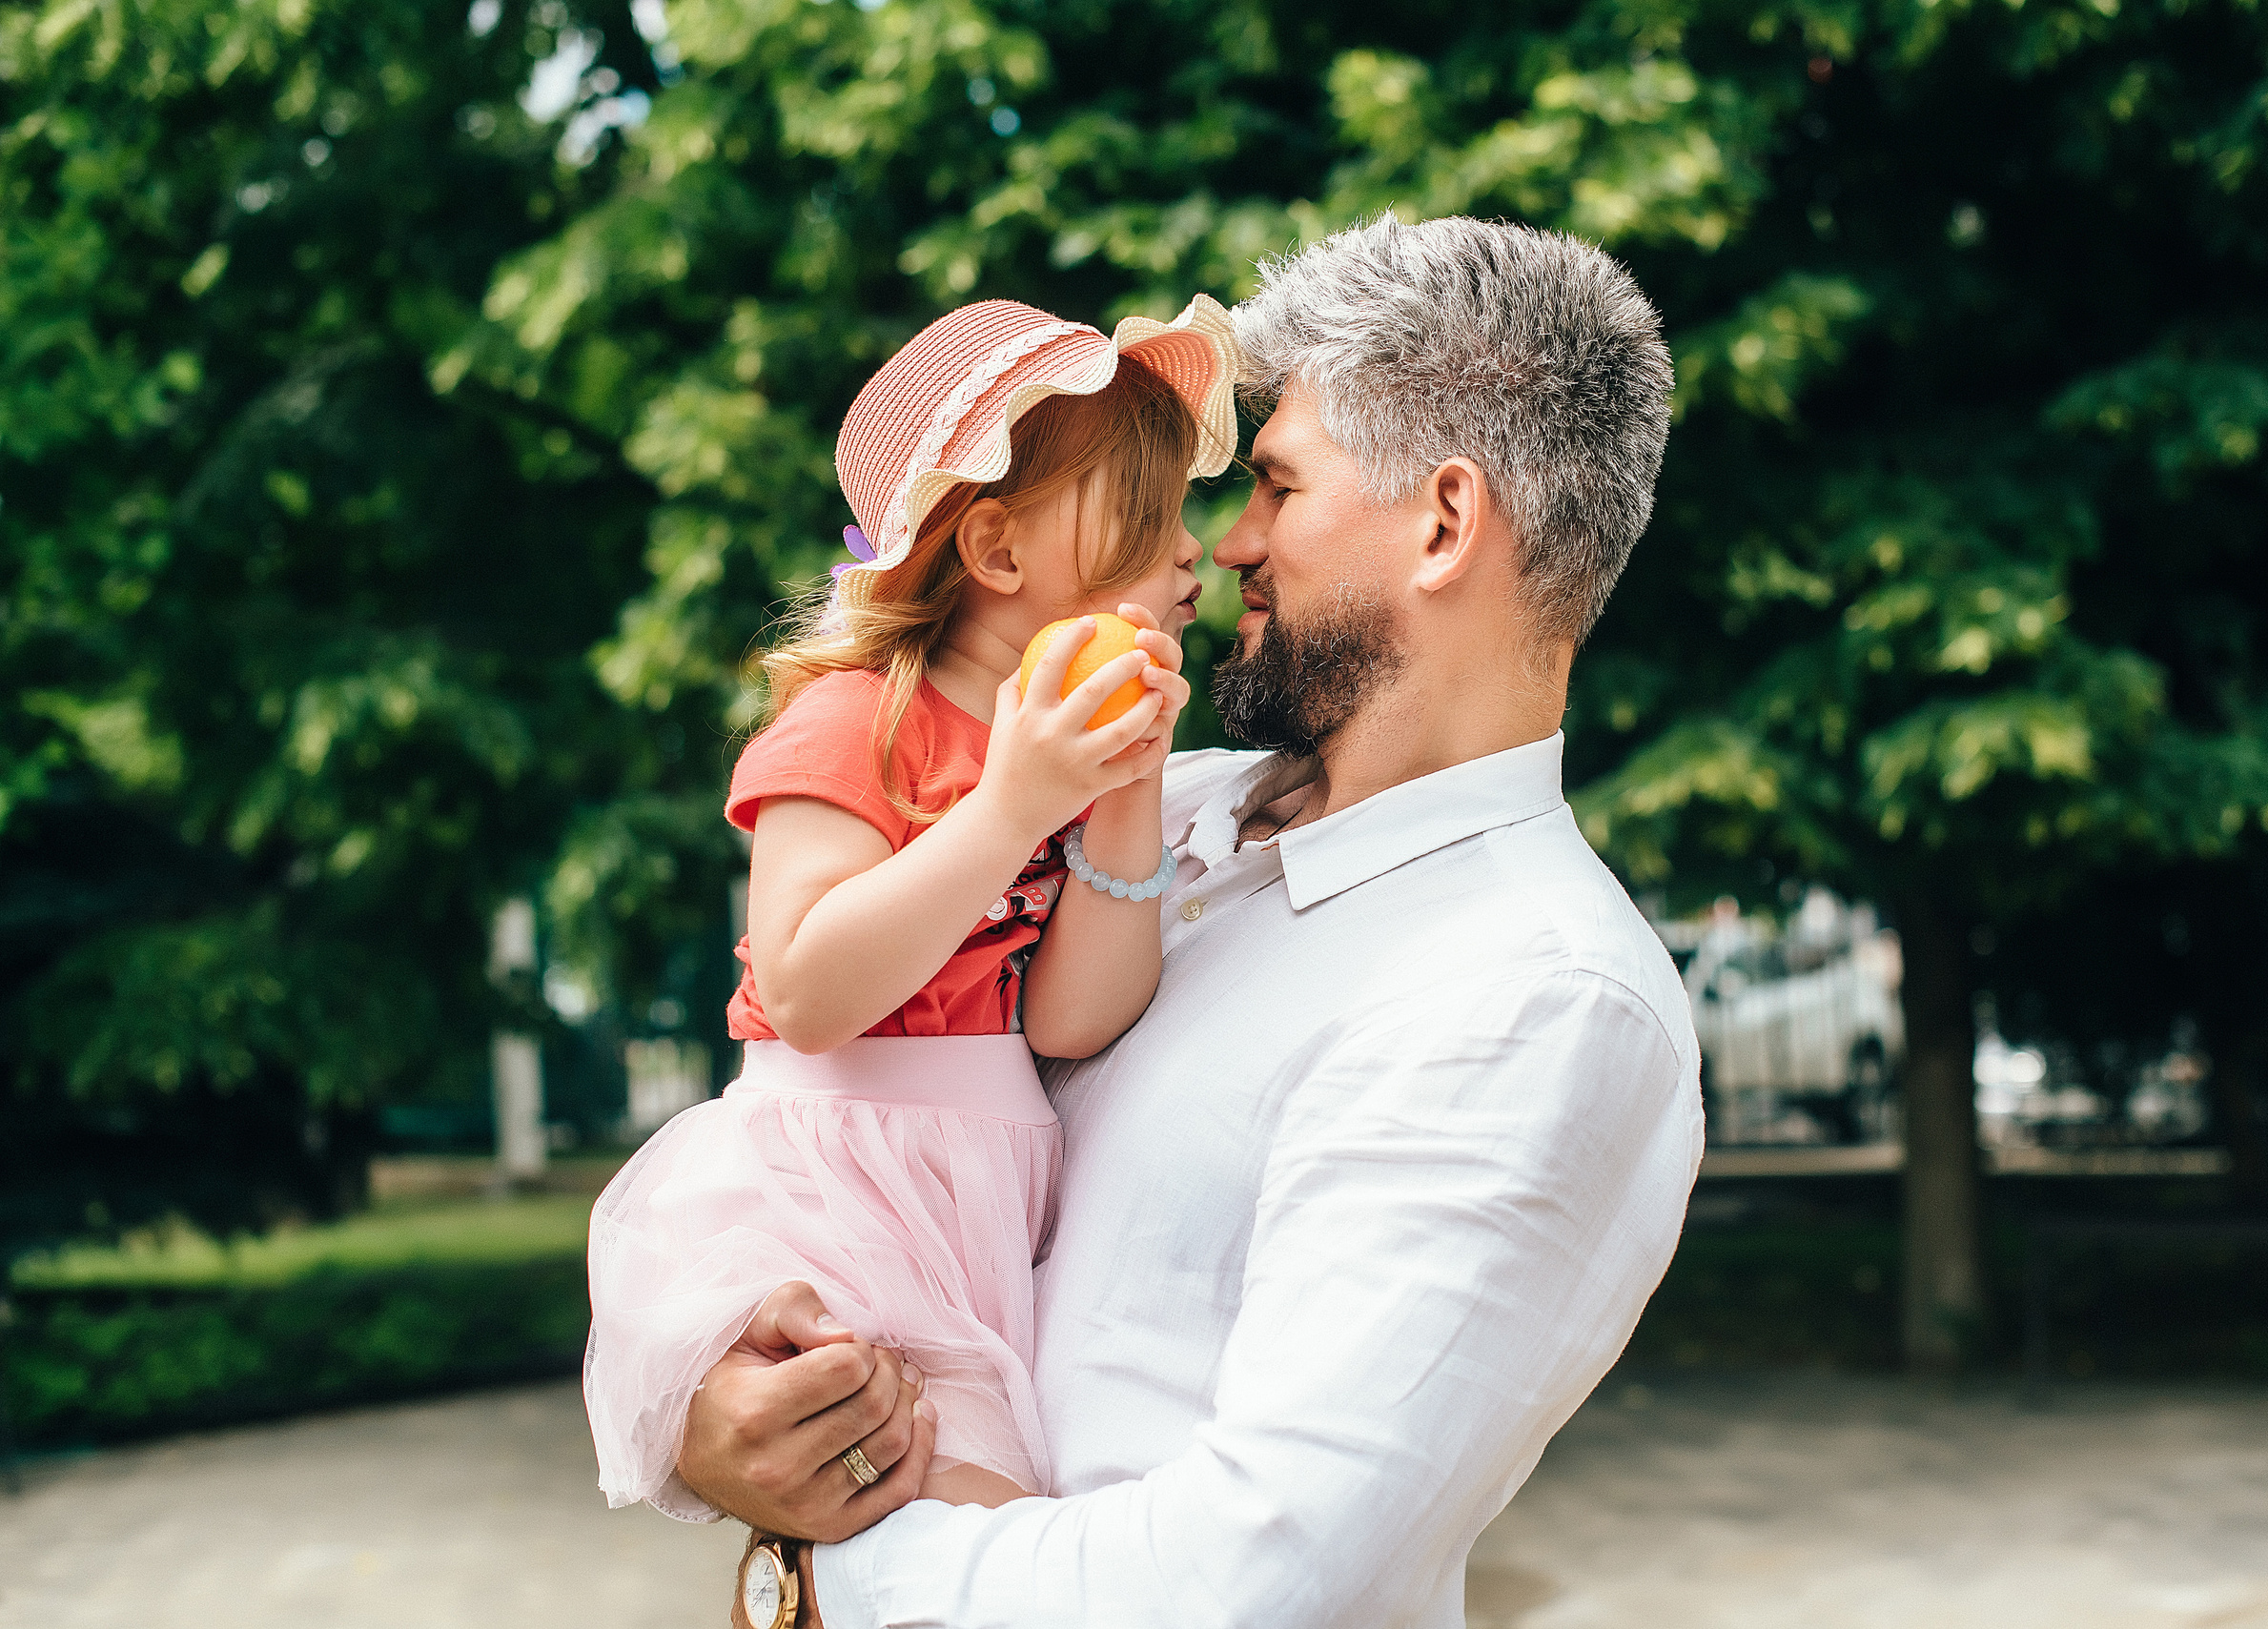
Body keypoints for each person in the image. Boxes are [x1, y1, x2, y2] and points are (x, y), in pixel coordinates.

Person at [678, 214, 1706, 1629]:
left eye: (1276, 485)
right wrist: (730, 1405)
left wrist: (815, 1568)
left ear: (1445, 522)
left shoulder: (1532, 994)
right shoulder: (1151, 803)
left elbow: (1246, 1580)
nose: (1225, 544)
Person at [582, 295, 1242, 1528]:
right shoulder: (856, 722)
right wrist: (1007, 807)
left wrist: (1124, 788)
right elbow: (810, 993)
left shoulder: (1064, 752)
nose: (1194, 550)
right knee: (963, 1522)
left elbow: (1071, 1020)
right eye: (1151, 516)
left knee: (993, 1513)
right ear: (996, 552)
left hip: (980, 1210)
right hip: (840, 1197)